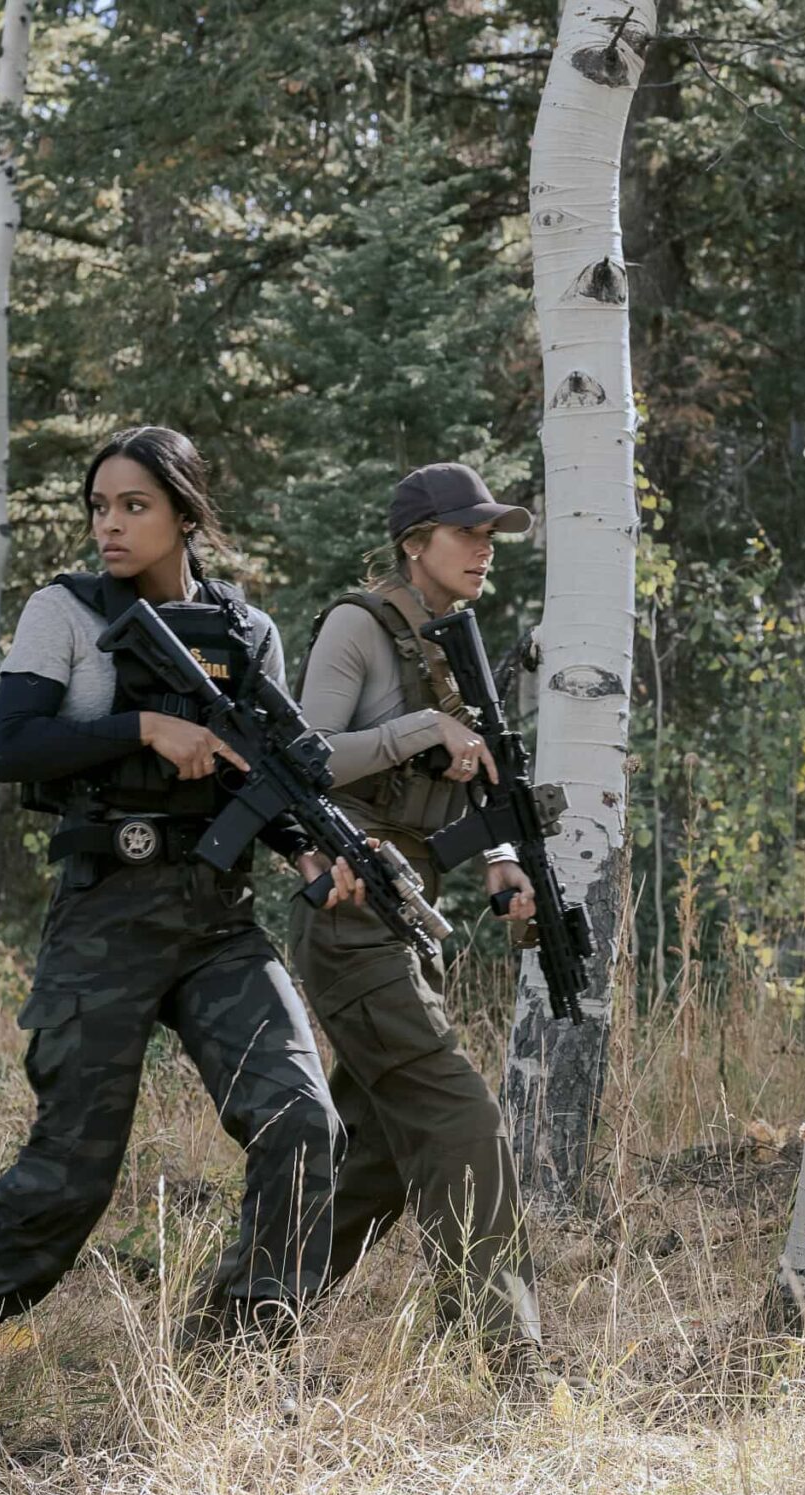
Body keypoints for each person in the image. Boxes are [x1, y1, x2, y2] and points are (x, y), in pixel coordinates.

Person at [0, 425, 357, 1426]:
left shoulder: (247, 631)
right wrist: (142, 727)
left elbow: (260, 788)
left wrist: (310, 855)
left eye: (133, 505)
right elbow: (15, 747)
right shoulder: (64, 612)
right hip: (104, 913)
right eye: (99, 506)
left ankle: (239, 1347)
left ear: (185, 513)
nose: (110, 524)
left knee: (302, 1122)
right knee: (72, 1172)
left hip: (216, 921)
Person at [294, 461, 545, 1361]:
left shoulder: (451, 646)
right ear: (414, 543)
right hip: (349, 910)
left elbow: (475, 777)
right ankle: (507, 1362)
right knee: (458, 1117)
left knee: (367, 1165)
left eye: (491, 535)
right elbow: (304, 756)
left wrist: (505, 863)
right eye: (466, 533)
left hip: (409, 916)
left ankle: (230, 1337)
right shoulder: (358, 628)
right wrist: (419, 732)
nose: (484, 548)